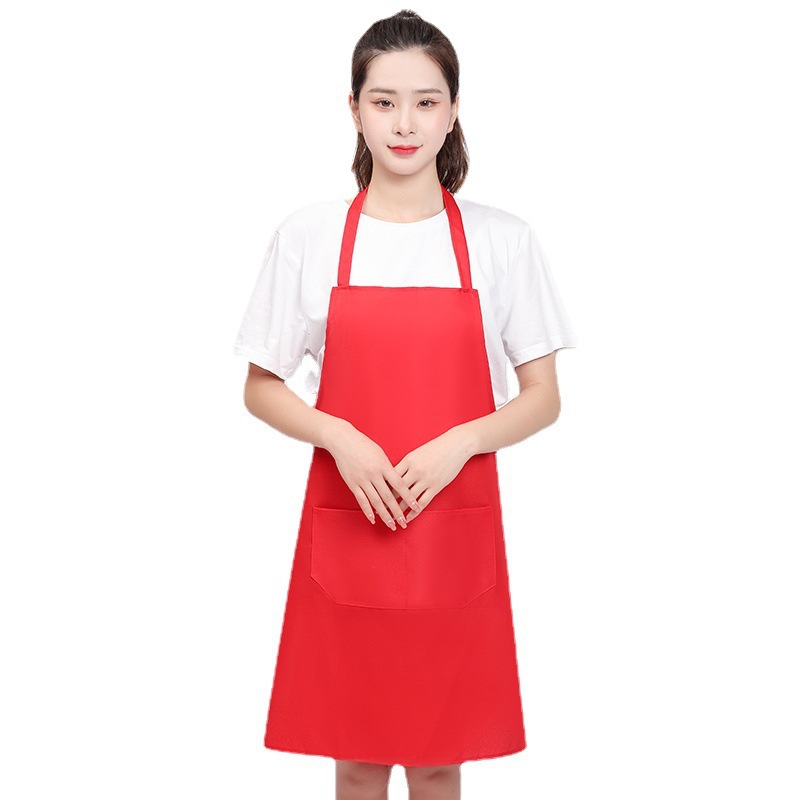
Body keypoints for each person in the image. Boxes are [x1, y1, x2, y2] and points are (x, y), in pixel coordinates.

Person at [233, 9, 578, 800]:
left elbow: (543, 399)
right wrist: (340, 437)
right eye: (384, 101)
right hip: (350, 521)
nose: (404, 123)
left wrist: (462, 442)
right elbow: (260, 386)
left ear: (453, 111)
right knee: (355, 760)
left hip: (452, 526)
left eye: (426, 102)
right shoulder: (310, 235)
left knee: (437, 759)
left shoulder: (501, 240)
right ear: (353, 109)